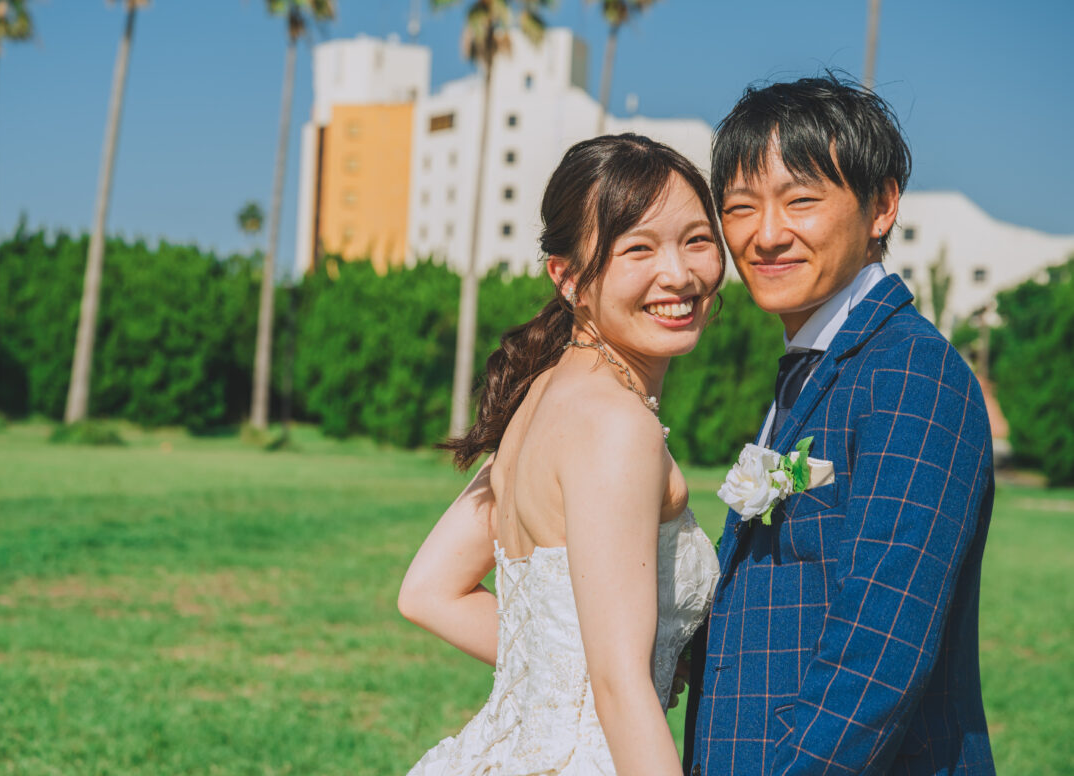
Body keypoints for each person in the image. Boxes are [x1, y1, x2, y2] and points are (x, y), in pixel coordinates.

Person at [690, 75, 996, 775]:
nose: (766, 235)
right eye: (740, 207)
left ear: (882, 205)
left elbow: (880, 652)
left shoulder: (911, 374)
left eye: (801, 201)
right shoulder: (808, 370)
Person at [398, 134, 725, 775]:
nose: (680, 275)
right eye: (638, 248)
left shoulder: (541, 398)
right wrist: (620, 676)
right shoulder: (615, 425)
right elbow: (618, 685)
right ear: (567, 276)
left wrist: (567, 675)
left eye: (697, 240)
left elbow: (428, 592)